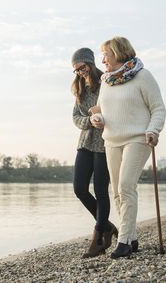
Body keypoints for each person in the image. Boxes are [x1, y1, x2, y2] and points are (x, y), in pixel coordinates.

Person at [90, 36, 166, 259]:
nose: (102, 59)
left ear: (118, 53)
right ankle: (131, 238)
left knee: (125, 187)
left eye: (106, 54)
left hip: (138, 138)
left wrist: (153, 130)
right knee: (116, 192)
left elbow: (158, 108)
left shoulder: (143, 76)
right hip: (111, 140)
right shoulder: (106, 80)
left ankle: (123, 242)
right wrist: (98, 119)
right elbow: (103, 110)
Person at [71, 47, 118, 258]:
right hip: (85, 142)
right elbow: (75, 117)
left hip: (104, 143)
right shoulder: (79, 88)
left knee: (101, 190)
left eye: (82, 67)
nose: (80, 72)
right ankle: (106, 226)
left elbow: (116, 109)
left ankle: (98, 238)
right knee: (79, 188)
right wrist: (89, 121)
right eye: (76, 70)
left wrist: (101, 116)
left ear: (90, 63)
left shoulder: (106, 83)